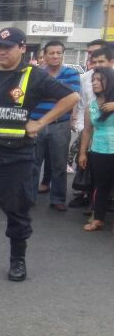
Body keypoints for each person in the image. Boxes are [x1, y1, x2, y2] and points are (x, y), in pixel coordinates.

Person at [0, 27, 79, 281]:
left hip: (15, 157)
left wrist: (40, 123)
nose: (1, 52)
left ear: (22, 48)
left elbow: (71, 97)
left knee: (17, 211)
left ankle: (17, 261)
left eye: (8, 47)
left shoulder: (34, 76)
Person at [30, 40, 80, 210]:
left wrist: (48, 93)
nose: (55, 56)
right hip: (36, 124)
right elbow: (32, 96)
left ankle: (58, 198)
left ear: (62, 54)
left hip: (61, 124)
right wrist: (58, 94)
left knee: (59, 163)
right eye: (51, 53)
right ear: (44, 55)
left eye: (59, 53)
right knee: (33, 162)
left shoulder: (72, 73)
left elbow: (71, 96)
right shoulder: (36, 73)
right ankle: (29, 196)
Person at [79, 66, 114, 231]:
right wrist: (82, 153)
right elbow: (87, 131)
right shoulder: (91, 106)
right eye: (93, 80)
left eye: (100, 80)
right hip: (99, 150)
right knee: (101, 185)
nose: (95, 83)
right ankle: (98, 219)